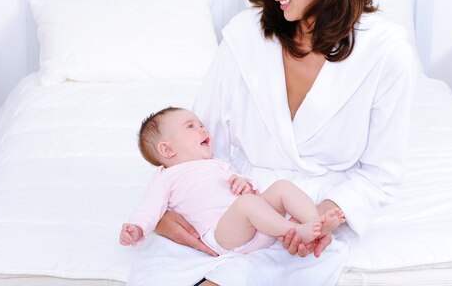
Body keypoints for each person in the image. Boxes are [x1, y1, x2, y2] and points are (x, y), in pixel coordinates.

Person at [127, 0, 417, 286]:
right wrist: (164, 213)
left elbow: (381, 173)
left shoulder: (386, 51)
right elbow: (199, 141)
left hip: (312, 213)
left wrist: (322, 216)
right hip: (227, 208)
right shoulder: (245, 36)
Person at [119, 107, 345, 255]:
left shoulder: (218, 164)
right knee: (247, 204)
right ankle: (297, 231)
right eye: (190, 126)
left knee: (281, 187)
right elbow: (149, 207)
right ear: (167, 149)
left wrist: (244, 183)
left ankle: (315, 221)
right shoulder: (165, 177)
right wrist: (138, 228)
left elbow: (242, 185)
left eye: (200, 124)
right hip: (222, 234)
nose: (202, 128)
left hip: (255, 224)